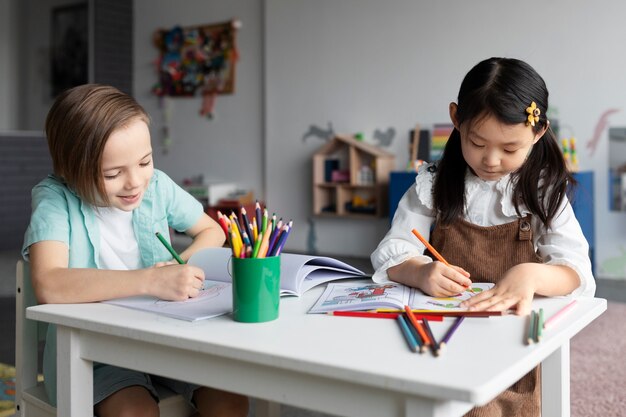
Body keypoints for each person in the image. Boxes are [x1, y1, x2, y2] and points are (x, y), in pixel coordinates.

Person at [371, 57, 595, 417]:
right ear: (456, 121)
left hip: (511, 341)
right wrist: (418, 271)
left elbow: (577, 273)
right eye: (477, 142)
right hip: (444, 330)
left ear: (538, 134)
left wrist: (533, 274)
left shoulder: (541, 191)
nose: (491, 160)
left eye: (509, 149)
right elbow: (392, 251)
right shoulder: (433, 183)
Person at [22, 84, 249, 417]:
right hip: (93, 354)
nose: (135, 183)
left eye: (145, 161)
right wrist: (149, 281)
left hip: (166, 337)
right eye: (113, 173)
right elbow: (49, 284)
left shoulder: (155, 185)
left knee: (231, 401)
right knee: (135, 413)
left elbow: (212, 230)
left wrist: (179, 267)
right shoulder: (55, 199)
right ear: (69, 171)